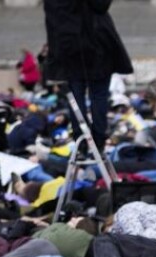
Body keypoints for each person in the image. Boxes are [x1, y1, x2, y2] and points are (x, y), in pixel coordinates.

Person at [42, 0, 133, 150]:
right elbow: (101, 5)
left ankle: (82, 141)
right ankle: (97, 140)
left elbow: (52, 23)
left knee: (76, 99)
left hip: (69, 47)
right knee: (97, 96)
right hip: (97, 45)